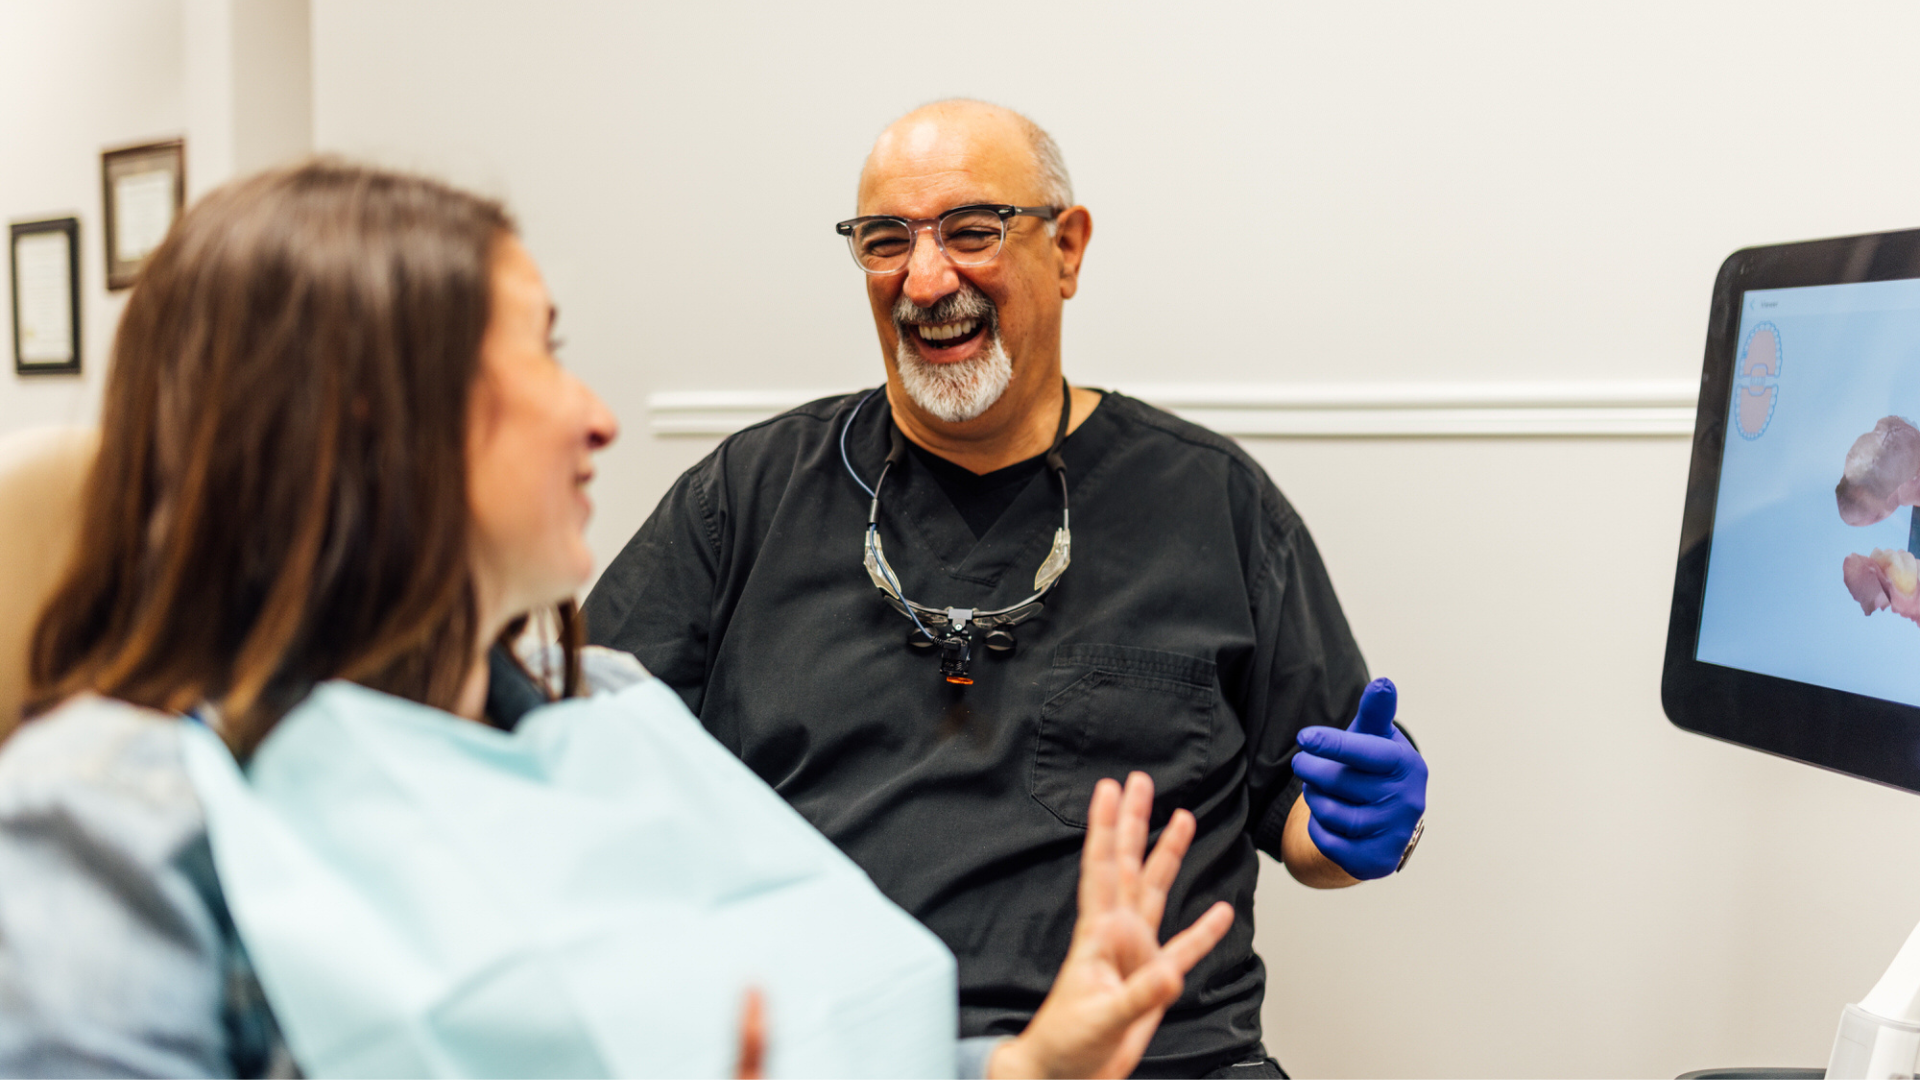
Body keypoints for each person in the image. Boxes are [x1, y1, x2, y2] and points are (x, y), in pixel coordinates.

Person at [0, 160, 1232, 1078]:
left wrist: (1023, 1066)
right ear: (374, 423)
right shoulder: (114, 828)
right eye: (542, 354)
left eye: (974, 231)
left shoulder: (608, 717)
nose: (596, 416)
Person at [584, 99, 1430, 1078]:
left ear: (1067, 249)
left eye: (973, 232)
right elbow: (581, 760)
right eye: (885, 241)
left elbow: (1305, 809)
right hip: (838, 1056)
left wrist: (1360, 826)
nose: (926, 278)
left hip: (1160, 1057)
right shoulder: (745, 501)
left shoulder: (1212, 503)